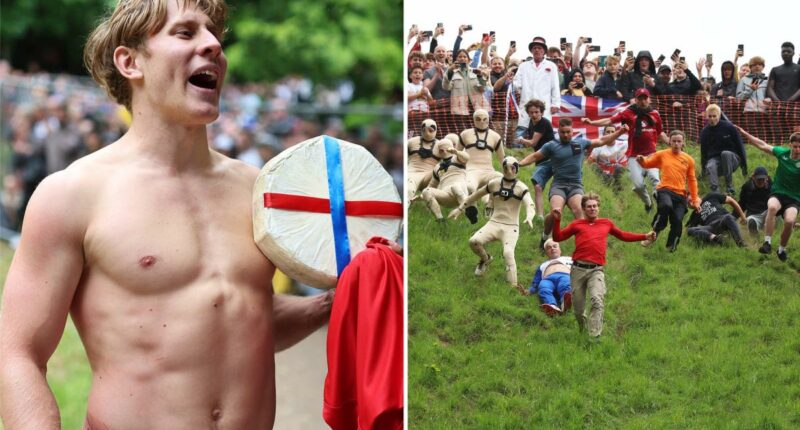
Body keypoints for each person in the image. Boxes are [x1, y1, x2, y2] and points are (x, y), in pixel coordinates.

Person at [0, 1, 332, 428]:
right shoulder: (72, 195)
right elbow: (17, 352)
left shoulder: (257, 189)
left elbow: (245, 319)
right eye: (186, 32)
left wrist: (329, 303)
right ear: (130, 62)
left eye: (214, 34)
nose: (213, 45)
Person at [551, 193, 656, 338]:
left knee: (597, 300)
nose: (592, 208)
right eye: (589, 207)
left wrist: (645, 236)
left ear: (598, 208)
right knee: (578, 310)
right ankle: (583, 329)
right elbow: (557, 237)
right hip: (578, 270)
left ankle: (594, 336)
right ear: (583, 209)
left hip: (596, 270)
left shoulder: (606, 223)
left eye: (595, 206)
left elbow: (623, 235)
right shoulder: (577, 225)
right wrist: (557, 221)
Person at [519, 119, 630, 250]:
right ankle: (544, 237)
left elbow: (602, 141)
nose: (566, 135)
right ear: (558, 131)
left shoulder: (580, 143)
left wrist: (620, 132)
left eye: (568, 132)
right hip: (559, 186)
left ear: (573, 131)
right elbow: (534, 156)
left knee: (579, 211)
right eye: (562, 132)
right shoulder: (551, 145)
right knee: (555, 213)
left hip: (575, 186)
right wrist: (519, 164)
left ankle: (584, 244)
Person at [449, 156, 534, 289]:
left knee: (508, 253)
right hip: (494, 223)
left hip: (511, 227)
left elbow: (529, 203)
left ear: (517, 169)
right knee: (474, 241)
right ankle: (485, 259)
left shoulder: (521, 187)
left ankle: (513, 287)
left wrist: (529, 216)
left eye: (512, 168)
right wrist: (460, 209)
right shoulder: (494, 183)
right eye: (506, 168)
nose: (509, 171)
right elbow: (475, 195)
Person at [583, 88, 667, 213]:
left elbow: (660, 133)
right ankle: (648, 203)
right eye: (640, 98)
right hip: (634, 156)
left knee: (655, 179)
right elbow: (609, 120)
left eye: (645, 98)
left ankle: (660, 204)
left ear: (649, 99)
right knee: (638, 186)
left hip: (651, 154)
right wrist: (591, 123)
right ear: (636, 100)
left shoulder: (655, 114)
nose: (643, 101)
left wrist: (670, 142)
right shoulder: (628, 113)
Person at [736, 127, 800, 262]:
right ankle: (767, 243)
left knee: (789, 221)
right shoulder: (782, 153)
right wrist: (744, 133)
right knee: (771, 207)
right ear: (790, 145)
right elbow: (762, 145)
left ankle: (781, 249)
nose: (797, 150)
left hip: (794, 199)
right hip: (778, 194)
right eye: (795, 147)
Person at [637, 130, 701, 251]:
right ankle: (653, 234)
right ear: (669, 142)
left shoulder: (689, 159)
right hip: (664, 190)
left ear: (683, 142)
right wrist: (642, 160)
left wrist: (695, 200)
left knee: (677, 220)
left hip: (681, 195)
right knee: (665, 206)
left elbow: (692, 180)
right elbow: (647, 163)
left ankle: (671, 247)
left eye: (679, 141)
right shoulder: (662, 154)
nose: (676, 144)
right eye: (674, 141)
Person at [513, 37, 560, 136]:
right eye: (534, 48)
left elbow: (555, 86)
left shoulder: (551, 66)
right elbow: (516, 84)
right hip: (526, 103)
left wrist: (555, 104)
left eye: (539, 48)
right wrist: (512, 82)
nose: (537, 50)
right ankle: (518, 147)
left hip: (544, 105)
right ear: (531, 51)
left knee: (543, 134)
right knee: (521, 132)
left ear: (544, 51)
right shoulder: (523, 66)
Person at [518, 99, 555, 223]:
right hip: (541, 159)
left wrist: (521, 140)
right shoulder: (531, 123)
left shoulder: (543, 123)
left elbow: (533, 142)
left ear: (542, 112)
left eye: (536, 112)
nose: (534, 115)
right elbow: (533, 144)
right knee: (538, 187)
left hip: (554, 159)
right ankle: (540, 217)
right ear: (528, 113)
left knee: (558, 189)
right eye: (531, 112)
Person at [699, 104, 748, 195]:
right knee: (711, 165)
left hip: (733, 159)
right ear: (706, 117)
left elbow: (740, 146)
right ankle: (715, 191)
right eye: (710, 116)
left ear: (719, 115)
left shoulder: (729, 127)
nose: (712, 119)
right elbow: (704, 152)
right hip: (716, 161)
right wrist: (703, 170)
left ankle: (729, 186)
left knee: (725, 154)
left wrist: (744, 166)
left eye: (714, 116)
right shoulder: (705, 132)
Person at [421, 135, 472, 222]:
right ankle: (440, 219)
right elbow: (432, 185)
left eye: (446, 148)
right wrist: (421, 196)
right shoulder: (437, 167)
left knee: (455, 186)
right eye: (441, 150)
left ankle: (468, 212)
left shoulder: (457, 159)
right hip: (446, 195)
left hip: (461, 189)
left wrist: (456, 152)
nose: (444, 151)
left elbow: (466, 157)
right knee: (426, 191)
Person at [443, 49, 490, 131]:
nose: (462, 58)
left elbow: (483, 89)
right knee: (463, 132)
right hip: (460, 110)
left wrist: (480, 76)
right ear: (456, 60)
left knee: (481, 131)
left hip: (478, 108)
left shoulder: (475, 71)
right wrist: (450, 70)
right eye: (460, 57)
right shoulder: (452, 73)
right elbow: (446, 87)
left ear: (469, 60)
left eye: (464, 57)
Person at [528, 239, 573, 316]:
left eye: (555, 246)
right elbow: (536, 281)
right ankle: (552, 306)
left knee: (565, 285)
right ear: (546, 253)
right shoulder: (542, 265)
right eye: (549, 248)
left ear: (560, 250)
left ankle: (565, 303)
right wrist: (530, 291)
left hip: (564, 275)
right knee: (543, 288)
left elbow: (580, 269)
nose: (552, 248)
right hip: (547, 279)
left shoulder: (569, 259)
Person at [407, 118, 441, 203]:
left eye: (430, 130)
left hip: (430, 176)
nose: (427, 133)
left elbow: (450, 161)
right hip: (412, 173)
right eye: (424, 130)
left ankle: (430, 198)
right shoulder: (411, 142)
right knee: (409, 189)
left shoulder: (441, 144)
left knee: (440, 170)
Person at [587, 125, 628, 192]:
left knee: (619, 167)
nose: (610, 134)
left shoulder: (625, 144)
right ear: (604, 134)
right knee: (593, 166)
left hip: (620, 174)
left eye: (612, 132)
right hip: (604, 176)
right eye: (608, 132)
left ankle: (618, 187)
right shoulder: (598, 146)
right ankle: (607, 187)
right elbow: (589, 163)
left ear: (616, 134)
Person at [738, 166, 772, 235]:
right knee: (751, 221)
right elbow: (742, 203)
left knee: (775, 210)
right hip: (753, 214)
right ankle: (754, 232)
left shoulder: (772, 186)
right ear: (753, 178)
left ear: (767, 178)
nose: (761, 181)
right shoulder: (747, 187)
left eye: (763, 179)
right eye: (759, 179)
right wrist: (739, 216)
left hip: (768, 213)